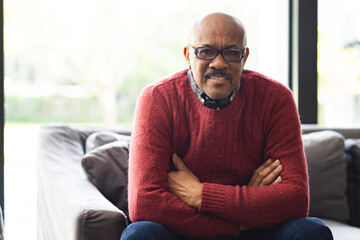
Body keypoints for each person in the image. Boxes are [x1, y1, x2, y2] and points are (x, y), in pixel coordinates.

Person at [121, 12, 333, 240]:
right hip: (190, 231)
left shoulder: (276, 98)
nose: (219, 63)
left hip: (257, 233)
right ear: (187, 55)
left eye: (232, 53)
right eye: (206, 51)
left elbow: (295, 199)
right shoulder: (157, 98)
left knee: (311, 231)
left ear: (245, 57)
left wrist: (202, 195)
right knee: (140, 234)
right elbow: (145, 203)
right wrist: (233, 226)